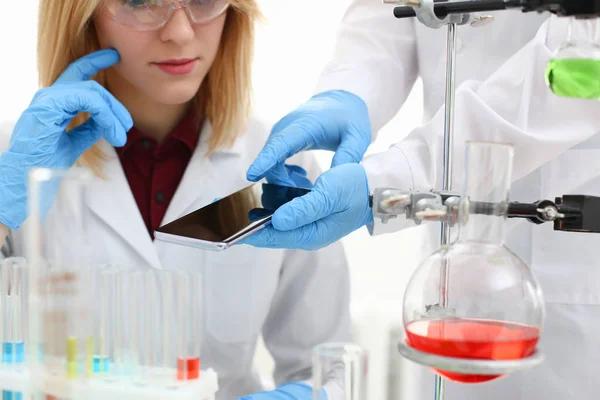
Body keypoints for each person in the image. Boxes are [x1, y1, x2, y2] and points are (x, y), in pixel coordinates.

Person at [242, 1, 600, 399]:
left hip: (570, 296)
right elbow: (389, 12)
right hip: (447, 290)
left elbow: (577, 69)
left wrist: (398, 179)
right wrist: (348, 90)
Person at [0, 1, 351, 399]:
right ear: (84, 17)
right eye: (140, 1)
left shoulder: (283, 166)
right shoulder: (16, 163)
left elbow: (329, 367)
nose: (180, 32)